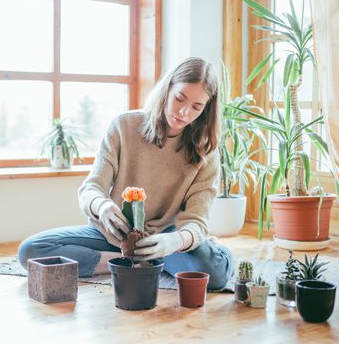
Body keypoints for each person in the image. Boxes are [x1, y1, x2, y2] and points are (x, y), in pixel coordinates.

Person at [18, 57, 234, 290]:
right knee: (31, 251)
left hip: (165, 241)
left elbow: (197, 220)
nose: (183, 112)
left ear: (206, 109)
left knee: (215, 274)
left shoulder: (206, 152)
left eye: (196, 107)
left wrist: (176, 241)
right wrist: (102, 206)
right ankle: (128, 261)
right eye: (179, 98)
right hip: (114, 234)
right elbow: (91, 188)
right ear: (167, 89)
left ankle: (173, 254)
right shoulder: (124, 126)